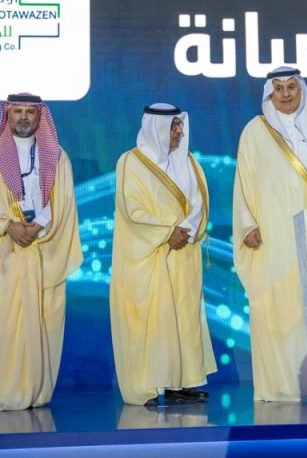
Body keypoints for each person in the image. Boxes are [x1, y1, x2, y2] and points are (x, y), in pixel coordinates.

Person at [0, 93, 83, 411]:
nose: (24, 117)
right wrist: (9, 226)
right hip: (4, 252)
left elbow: (63, 201)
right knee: (0, 322)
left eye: (30, 112)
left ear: (40, 117)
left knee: (35, 322)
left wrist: (37, 226)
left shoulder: (56, 156)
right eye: (17, 111)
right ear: (7, 114)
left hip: (39, 249)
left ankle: (31, 391)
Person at [110, 103, 216, 406]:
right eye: (173, 126)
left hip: (184, 252)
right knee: (152, 320)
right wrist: (168, 231)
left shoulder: (188, 161)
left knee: (184, 319)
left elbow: (198, 201)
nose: (179, 132)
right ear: (156, 128)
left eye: (180, 125)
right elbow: (132, 209)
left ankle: (181, 382)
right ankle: (147, 386)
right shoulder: (131, 162)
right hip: (149, 255)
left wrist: (185, 230)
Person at [233, 66, 307, 401]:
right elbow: (242, 182)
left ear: (301, 90)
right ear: (269, 94)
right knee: (277, 308)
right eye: (278, 88)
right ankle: (282, 387)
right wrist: (247, 224)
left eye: (291, 87)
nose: (285, 94)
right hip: (273, 238)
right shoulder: (255, 130)